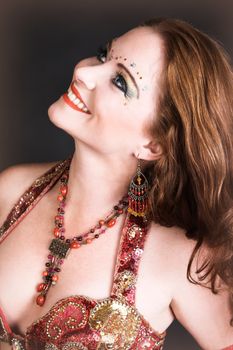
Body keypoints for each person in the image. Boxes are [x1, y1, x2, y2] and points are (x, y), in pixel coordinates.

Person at [0, 17, 232, 350]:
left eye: (121, 82)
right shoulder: (11, 191)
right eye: (102, 54)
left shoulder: (182, 258)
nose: (83, 72)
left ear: (153, 145)